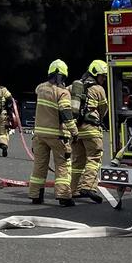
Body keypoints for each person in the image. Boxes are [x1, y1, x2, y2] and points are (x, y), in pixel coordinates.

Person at [27, 59, 78, 206]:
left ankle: (35, 196)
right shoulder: (63, 93)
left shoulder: (40, 89)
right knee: (62, 166)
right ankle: (63, 197)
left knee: (39, 165)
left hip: (39, 136)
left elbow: (41, 89)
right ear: (63, 76)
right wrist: (74, 132)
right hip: (58, 136)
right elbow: (66, 114)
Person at [69, 59, 109, 203]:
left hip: (76, 130)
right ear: (95, 73)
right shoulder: (98, 89)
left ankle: (73, 190)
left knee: (78, 161)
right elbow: (104, 108)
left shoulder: (74, 87)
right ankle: (89, 187)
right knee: (94, 157)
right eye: (102, 76)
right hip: (91, 130)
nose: (103, 79)